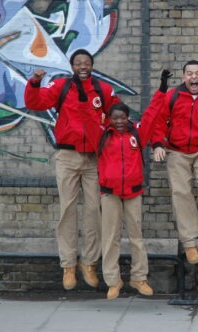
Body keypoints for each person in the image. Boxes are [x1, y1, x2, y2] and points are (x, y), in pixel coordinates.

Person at [24, 49, 121, 290]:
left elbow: (116, 115)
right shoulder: (60, 86)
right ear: (72, 66)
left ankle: (88, 262)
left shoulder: (103, 90)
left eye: (86, 63)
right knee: (68, 210)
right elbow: (34, 102)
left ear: (92, 65)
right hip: (67, 156)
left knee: (93, 211)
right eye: (78, 63)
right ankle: (68, 264)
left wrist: (106, 138)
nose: (83, 66)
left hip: (93, 160)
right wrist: (35, 82)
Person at [81, 96, 163, 300]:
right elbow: (86, 117)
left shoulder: (137, 134)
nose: (119, 121)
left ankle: (139, 277)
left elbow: (152, 115)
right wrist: (83, 97)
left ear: (128, 118)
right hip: (110, 193)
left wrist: (161, 91)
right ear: (109, 119)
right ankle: (113, 280)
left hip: (133, 192)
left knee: (137, 237)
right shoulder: (101, 136)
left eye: (123, 118)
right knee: (110, 238)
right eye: (115, 118)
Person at [151, 60, 198, 264]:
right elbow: (158, 121)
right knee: (181, 193)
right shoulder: (172, 96)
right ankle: (190, 243)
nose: (194, 77)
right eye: (189, 74)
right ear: (183, 78)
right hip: (176, 150)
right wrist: (157, 144)